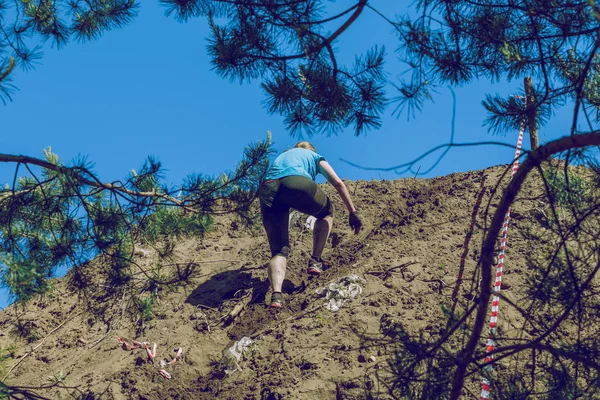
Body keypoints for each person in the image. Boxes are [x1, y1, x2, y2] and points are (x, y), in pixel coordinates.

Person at [258, 141, 363, 308]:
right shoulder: (313, 156)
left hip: (268, 189)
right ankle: (316, 260)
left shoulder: (283, 156)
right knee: (326, 212)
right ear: (311, 150)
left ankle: (276, 296)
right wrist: (352, 212)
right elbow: (337, 182)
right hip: (296, 183)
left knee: (279, 250)